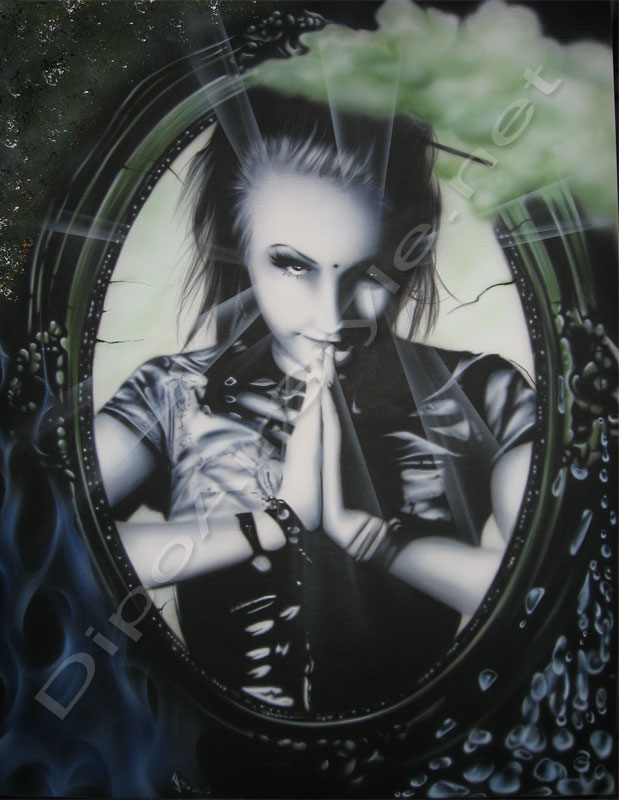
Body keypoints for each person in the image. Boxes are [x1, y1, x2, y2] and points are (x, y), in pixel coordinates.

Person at [95, 87, 535, 718]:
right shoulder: (172, 392)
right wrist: (273, 522)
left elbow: (558, 588)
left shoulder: (481, 393)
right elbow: (47, 547)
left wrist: (378, 543)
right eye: (292, 266)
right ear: (239, 247)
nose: (331, 317)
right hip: (212, 754)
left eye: (368, 273)